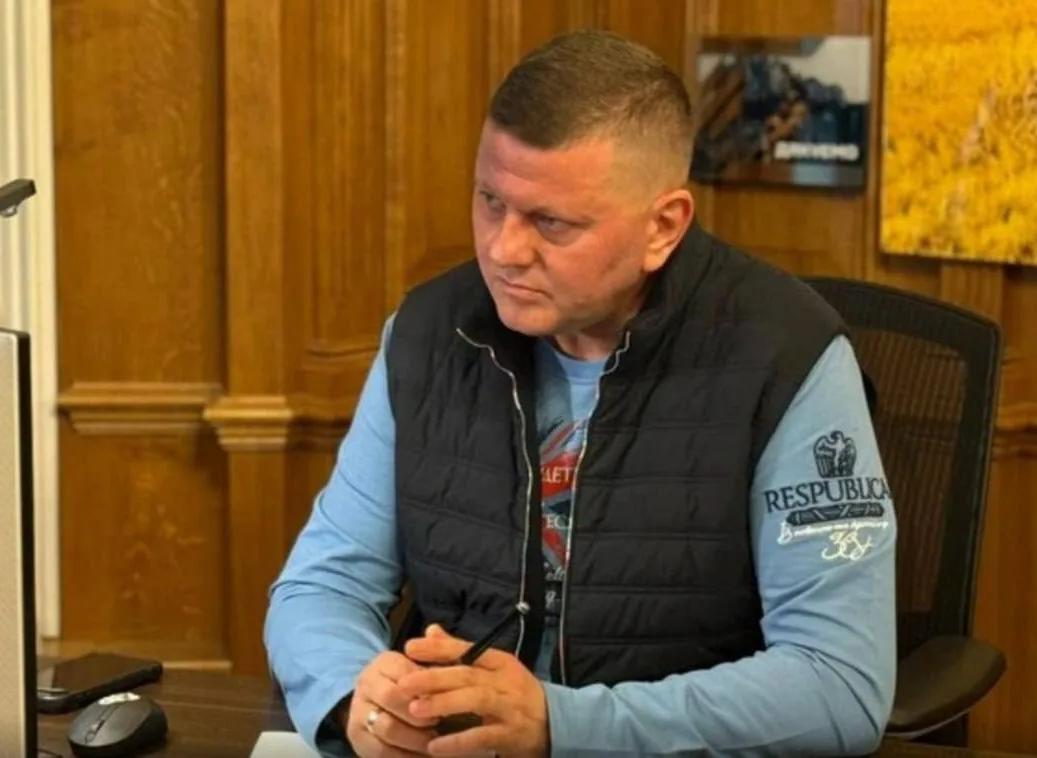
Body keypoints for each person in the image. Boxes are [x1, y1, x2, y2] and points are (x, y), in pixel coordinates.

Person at [265, 28, 897, 758]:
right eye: (490, 200)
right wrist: (359, 700)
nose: (503, 249)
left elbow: (838, 682)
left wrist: (562, 726)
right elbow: (320, 588)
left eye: (550, 222)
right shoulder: (429, 333)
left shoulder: (789, 357)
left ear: (663, 227)